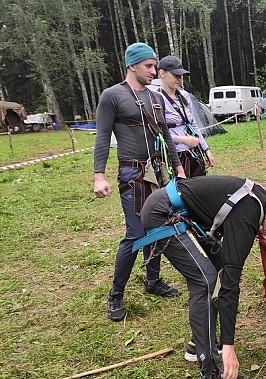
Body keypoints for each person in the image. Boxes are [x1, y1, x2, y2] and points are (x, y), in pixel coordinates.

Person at [138, 175, 266, 379]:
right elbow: (230, 283)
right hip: (161, 214)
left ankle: (198, 343)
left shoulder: (262, 202)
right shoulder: (246, 217)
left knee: (217, 270)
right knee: (205, 281)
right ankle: (212, 368)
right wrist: (229, 345)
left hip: (181, 212)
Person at [94, 42, 186, 322]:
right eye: (148, 66)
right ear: (132, 65)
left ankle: (153, 280)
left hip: (158, 173)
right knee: (135, 234)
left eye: (154, 65)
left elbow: (167, 136)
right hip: (132, 174)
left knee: (158, 226)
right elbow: (101, 136)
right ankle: (116, 294)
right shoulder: (113, 96)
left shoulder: (156, 97)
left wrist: (179, 168)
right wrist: (99, 175)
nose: (153, 70)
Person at [157, 55, 215, 178]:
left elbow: (193, 124)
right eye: (175, 75)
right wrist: (182, 140)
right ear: (162, 73)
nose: (179, 79)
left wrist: (206, 149)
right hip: (174, 156)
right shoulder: (156, 99)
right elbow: (159, 135)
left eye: (181, 76)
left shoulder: (184, 96)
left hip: (194, 152)